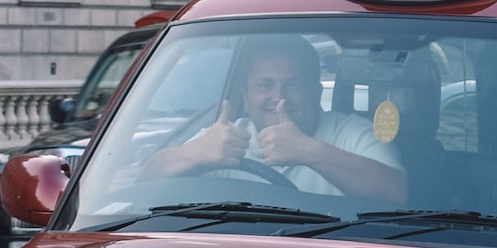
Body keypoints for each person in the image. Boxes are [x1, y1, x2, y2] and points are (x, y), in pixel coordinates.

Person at [143, 34, 408, 203]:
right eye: (264, 85)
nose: (279, 98)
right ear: (245, 97)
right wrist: (193, 154)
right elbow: (144, 183)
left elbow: (396, 193)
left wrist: (308, 151)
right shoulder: (226, 138)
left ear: (316, 92)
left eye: (294, 85)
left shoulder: (352, 133)